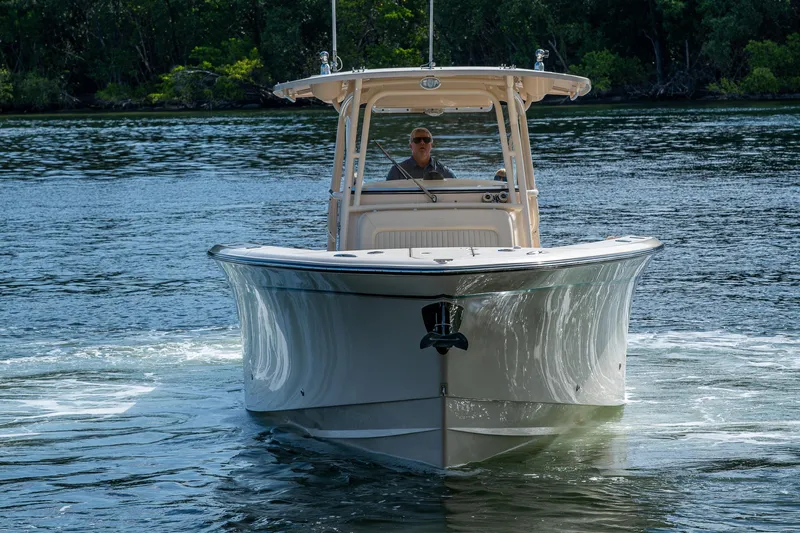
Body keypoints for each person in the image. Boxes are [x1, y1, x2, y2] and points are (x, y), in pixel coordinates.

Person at [386, 127, 456, 180]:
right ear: (411, 145)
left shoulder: (446, 173)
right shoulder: (397, 172)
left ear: (431, 145)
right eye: (417, 140)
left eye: (426, 140)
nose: (422, 142)